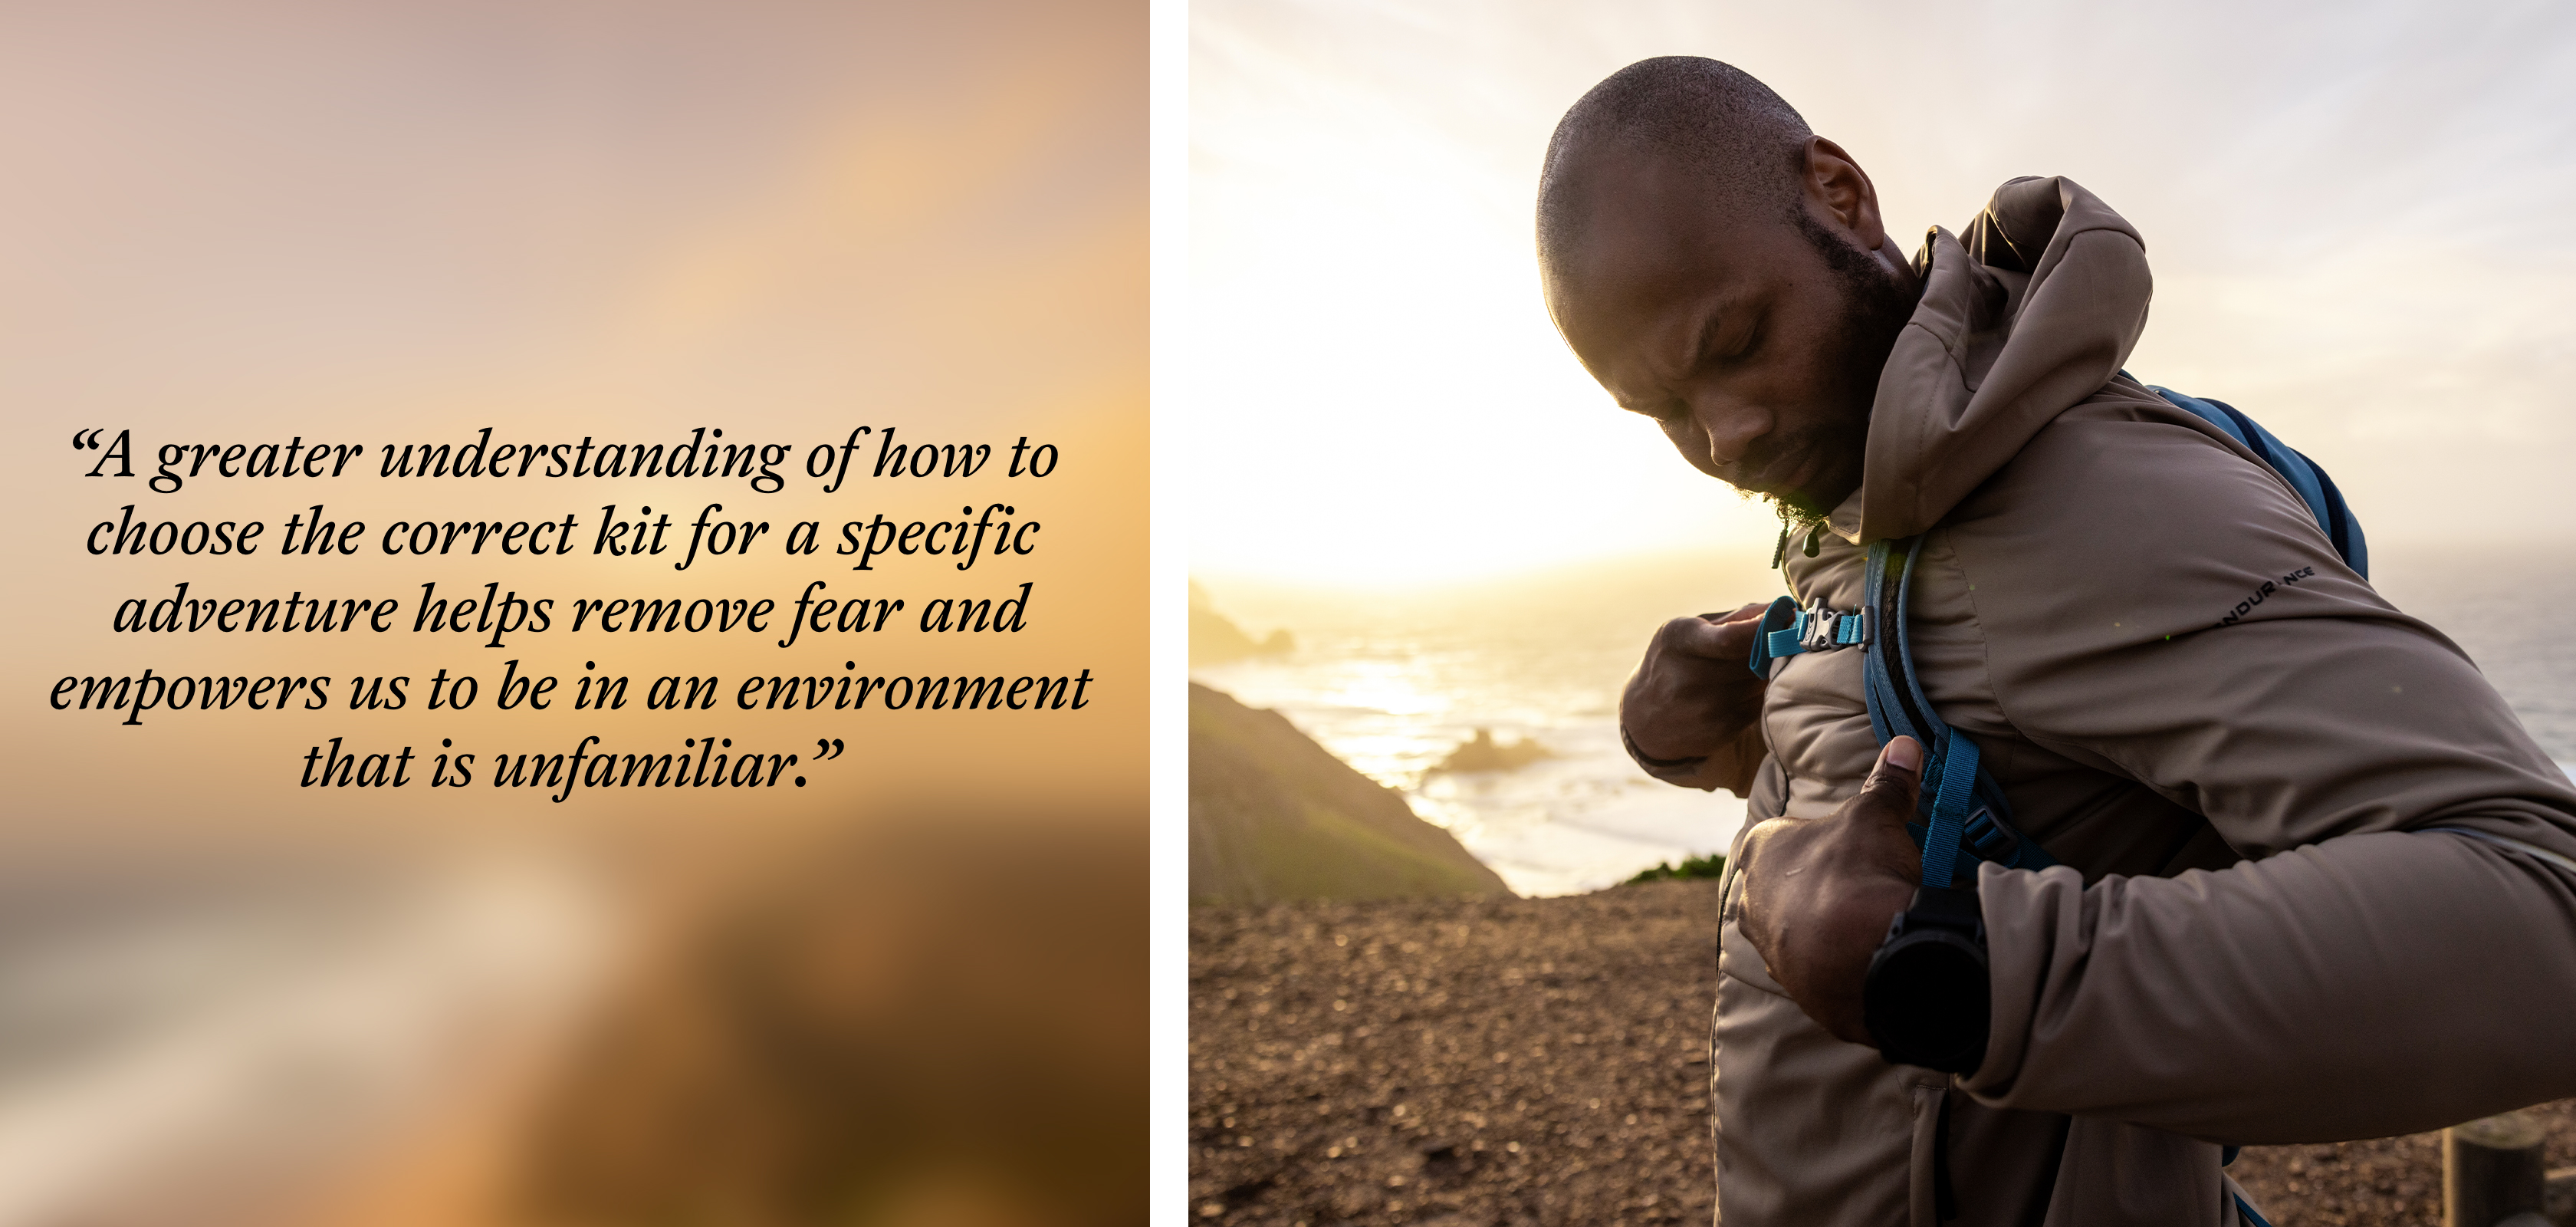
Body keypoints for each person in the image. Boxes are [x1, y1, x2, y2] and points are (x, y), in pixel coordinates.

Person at [1535, 56, 2576, 1226]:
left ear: (1838, 193)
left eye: (1735, 344)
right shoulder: (1873, 495)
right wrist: (1707, 741)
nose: (1723, 438)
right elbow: (1999, 764)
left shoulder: (2106, 494)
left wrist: (1941, 972)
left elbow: (2543, 905)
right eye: (1662, 414)